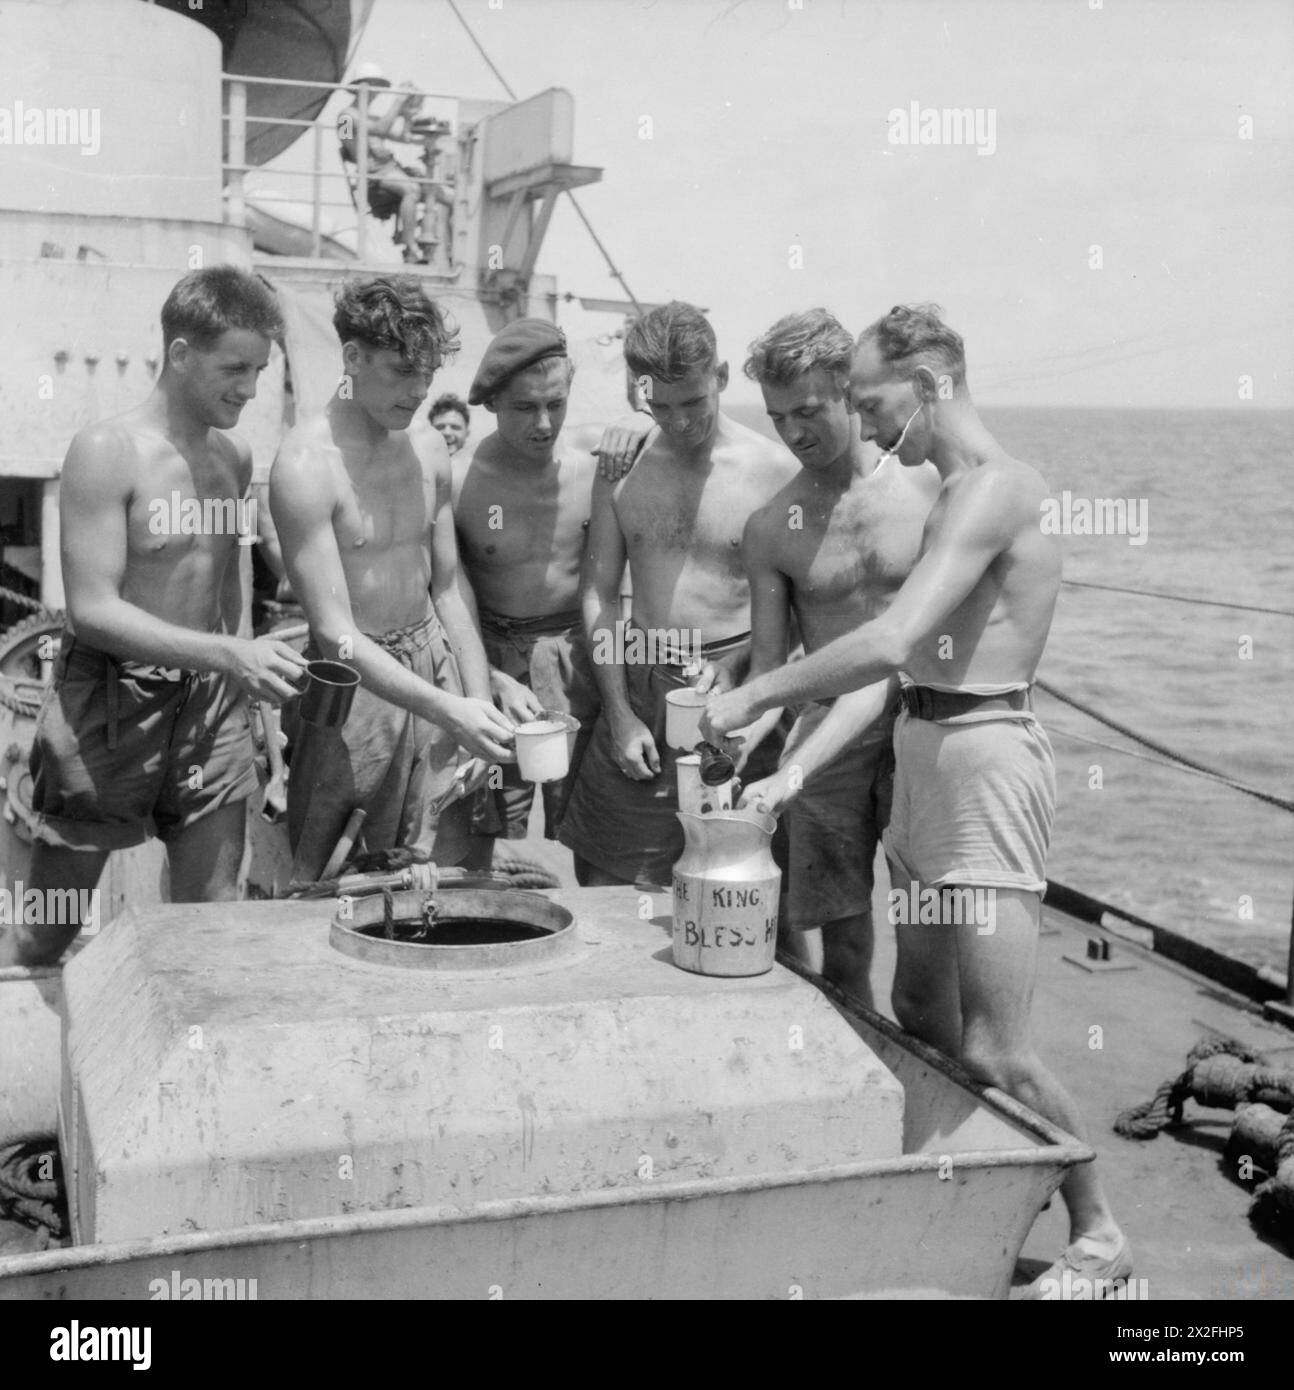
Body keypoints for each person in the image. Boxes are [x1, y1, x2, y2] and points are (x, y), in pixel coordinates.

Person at [701, 302, 1131, 1296]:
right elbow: (895, 674)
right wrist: (792, 761)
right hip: (926, 749)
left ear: (929, 383)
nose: (855, 412)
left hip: (985, 764)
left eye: (866, 396)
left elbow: (891, 638)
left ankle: (1100, 1229)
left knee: (994, 1041)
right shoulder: (948, 496)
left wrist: (755, 695)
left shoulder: (990, 491)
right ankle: (982, 1182)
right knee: (916, 1008)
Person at [0, 266, 307, 968]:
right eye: (235, 368)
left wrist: (252, 704)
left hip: (212, 706)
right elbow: (94, 611)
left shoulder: (234, 455)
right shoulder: (106, 452)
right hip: (110, 702)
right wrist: (230, 656)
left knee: (213, 921)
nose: (249, 389)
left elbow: (231, 593)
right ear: (179, 354)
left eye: (260, 371)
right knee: (44, 933)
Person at [270, 275, 514, 883]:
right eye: (403, 371)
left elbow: (449, 587)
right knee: (336, 876)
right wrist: (451, 708)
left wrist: (475, 699)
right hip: (353, 687)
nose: (419, 391)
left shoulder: (430, 449)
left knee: (442, 864)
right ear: (353, 358)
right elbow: (334, 634)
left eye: (427, 376)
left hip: (437, 666)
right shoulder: (304, 466)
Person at [736, 309, 939, 1005]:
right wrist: (726, 735)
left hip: (926, 723)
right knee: (844, 947)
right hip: (827, 740)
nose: (793, 433)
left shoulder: (928, 488)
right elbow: (768, 669)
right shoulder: (769, 528)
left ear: (851, 392)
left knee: (930, 944)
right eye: (776, 416)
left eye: (809, 410)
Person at [558, 301, 798, 888]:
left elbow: (799, 608)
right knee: (606, 879)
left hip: (739, 688)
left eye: (694, 402)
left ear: (719, 377)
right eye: (660, 407)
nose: (681, 421)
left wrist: (743, 667)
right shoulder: (622, 466)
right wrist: (616, 713)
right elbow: (599, 591)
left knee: (742, 884)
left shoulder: (774, 470)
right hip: (638, 680)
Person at [452, 320, 649, 857]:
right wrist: (484, 678)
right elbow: (441, 592)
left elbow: (679, 435)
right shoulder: (458, 479)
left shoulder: (599, 459)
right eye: (523, 408)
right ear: (491, 402)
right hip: (494, 662)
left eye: (555, 404)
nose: (543, 424)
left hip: (583, 655)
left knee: (589, 824)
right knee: (488, 826)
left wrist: (640, 418)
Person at [337, 61, 445, 265]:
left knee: (438, 192)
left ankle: (431, 248)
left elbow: (402, 137)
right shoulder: (345, 117)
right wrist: (397, 102)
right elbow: (379, 129)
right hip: (372, 175)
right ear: (360, 86)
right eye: (372, 84)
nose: (375, 91)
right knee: (411, 189)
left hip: (389, 169)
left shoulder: (369, 117)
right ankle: (411, 246)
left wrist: (407, 116)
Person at [430, 392, 470, 456]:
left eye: (455, 427)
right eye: (440, 427)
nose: (447, 433)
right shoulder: (416, 464)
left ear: (467, 433)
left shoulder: (478, 465)